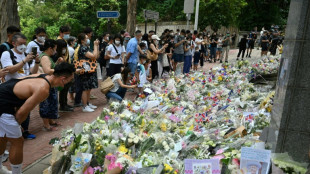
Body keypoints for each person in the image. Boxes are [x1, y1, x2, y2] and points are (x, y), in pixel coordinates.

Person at [0, 62, 75, 174]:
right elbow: (22, 112)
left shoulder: (43, 76)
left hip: (4, 98)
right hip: (3, 105)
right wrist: (18, 124)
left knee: (3, 137)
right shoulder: (44, 89)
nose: (67, 84)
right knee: (18, 141)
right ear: (63, 79)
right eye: (69, 81)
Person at [1, 33, 40, 140]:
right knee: (13, 112)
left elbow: (32, 72)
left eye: (24, 43)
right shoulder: (7, 54)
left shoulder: (26, 54)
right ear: (13, 43)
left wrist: (36, 62)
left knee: (25, 109)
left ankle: (25, 131)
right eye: (20, 44)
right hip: (12, 89)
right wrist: (24, 61)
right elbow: (9, 70)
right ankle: (12, 134)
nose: (23, 46)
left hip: (26, 87)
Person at [39, 39, 65, 131]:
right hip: (46, 83)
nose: (55, 51)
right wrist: (62, 71)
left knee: (51, 102)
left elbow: (52, 67)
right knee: (46, 103)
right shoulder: (45, 57)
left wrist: (57, 63)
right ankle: (46, 125)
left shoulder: (48, 57)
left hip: (50, 83)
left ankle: (51, 121)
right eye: (55, 49)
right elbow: (47, 70)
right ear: (50, 48)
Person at [77, 33, 99, 112]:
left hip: (90, 70)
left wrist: (97, 47)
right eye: (86, 38)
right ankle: (85, 106)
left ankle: (88, 103)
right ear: (82, 40)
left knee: (89, 88)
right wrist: (95, 46)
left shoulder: (87, 47)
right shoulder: (83, 48)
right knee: (85, 88)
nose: (88, 39)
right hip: (85, 70)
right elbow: (93, 56)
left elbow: (97, 56)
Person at [57, 26, 73, 113]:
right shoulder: (59, 41)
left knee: (66, 87)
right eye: (66, 33)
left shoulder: (64, 41)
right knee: (63, 87)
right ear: (61, 33)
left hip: (66, 66)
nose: (67, 35)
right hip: (63, 67)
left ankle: (65, 104)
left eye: (68, 33)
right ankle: (62, 105)